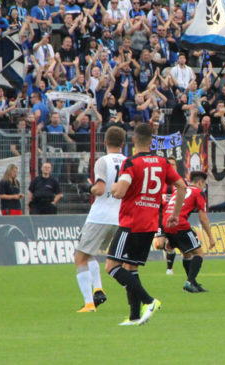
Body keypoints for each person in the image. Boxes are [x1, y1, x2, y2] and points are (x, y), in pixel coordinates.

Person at [106, 123, 187, 326]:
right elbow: (182, 186)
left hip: (131, 222)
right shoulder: (162, 162)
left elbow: (120, 191)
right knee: (130, 267)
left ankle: (149, 301)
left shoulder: (131, 163)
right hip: (150, 223)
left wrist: (114, 186)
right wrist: (175, 214)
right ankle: (134, 317)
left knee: (111, 266)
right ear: (152, 141)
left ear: (133, 140)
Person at [73, 127, 127, 313]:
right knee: (89, 254)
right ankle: (98, 289)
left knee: (80, 257)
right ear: (123, 144)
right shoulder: (129, 162)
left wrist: (88, 188)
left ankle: (89, 304)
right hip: (120, 217)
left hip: (101, 216)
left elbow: (100, 189)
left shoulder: (102, 161)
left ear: (105, 142)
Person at [162, 171, 215, 293]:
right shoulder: (198, 192)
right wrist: (210, 237)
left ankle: (193, 283)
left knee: (187, 254)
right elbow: (203, 217)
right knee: (199, 253)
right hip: (179, 223)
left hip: (166, 222)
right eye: (203, 184)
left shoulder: (178, 191)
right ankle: (190, 282)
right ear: (200, 182)